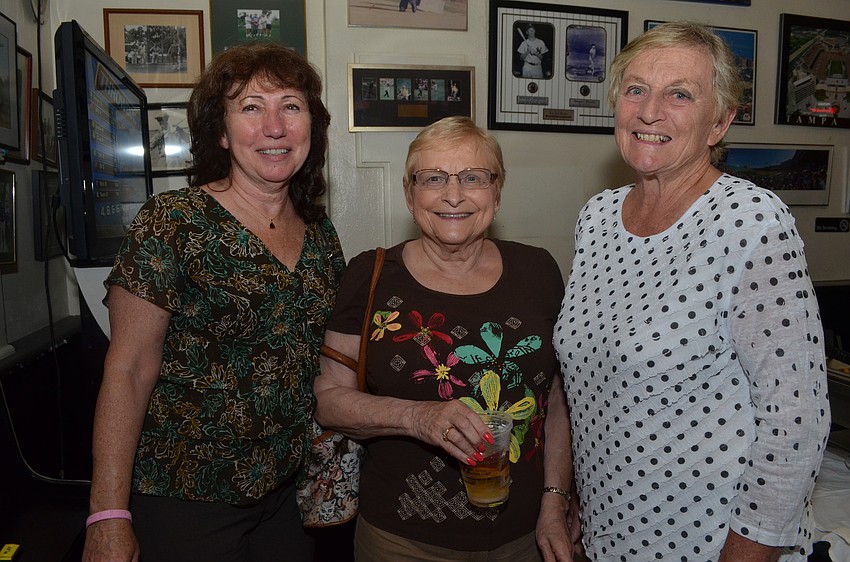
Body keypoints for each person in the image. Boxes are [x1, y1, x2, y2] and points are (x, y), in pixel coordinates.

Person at [553, 21, 831, 561]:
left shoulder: (750, 220)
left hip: (714, 546)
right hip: (610, 539)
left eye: (680, 94)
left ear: (719, 122)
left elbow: (795, 425)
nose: (650, 111)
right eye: (635, 89)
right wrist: (572, 503)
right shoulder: (598, 217)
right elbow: (589, 386)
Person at [82, 42, 346, 562]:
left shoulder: (320, 234)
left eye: (291, 106)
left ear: (310, 128)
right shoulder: (171, 222)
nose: (275, 126)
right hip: (183, 498)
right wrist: (107, 515)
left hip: (288, 498)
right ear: (222, 133)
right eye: (251, 107)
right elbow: (128, 369)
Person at [314, 116, 580, 561]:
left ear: (497, 191)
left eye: (473, 178)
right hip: (402, 540)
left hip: (524, 535)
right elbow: (328, 399)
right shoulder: (371, 275)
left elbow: (556, 399)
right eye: (433, 178)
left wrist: (555, 499)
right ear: (408, 193)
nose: (453, 195)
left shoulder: (539, 271)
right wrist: (419, 417)